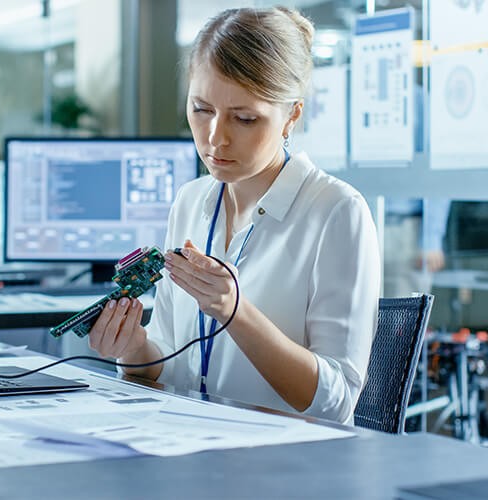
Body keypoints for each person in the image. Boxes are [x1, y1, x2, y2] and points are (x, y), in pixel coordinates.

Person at [88, 7, 381, 425]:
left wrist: (235, 312)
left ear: (292, 115)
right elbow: (167, 367)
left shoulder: (336, 212)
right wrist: (133, 350)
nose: (215, 139)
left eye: (244, 119)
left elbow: (335, 403)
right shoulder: (190, 202)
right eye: (201, 110)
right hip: (191, 448)